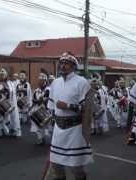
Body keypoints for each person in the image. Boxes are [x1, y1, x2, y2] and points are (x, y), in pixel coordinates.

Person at [49, 52, 94, 180]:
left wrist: (68, 106)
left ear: (74, 66)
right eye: (61, 63)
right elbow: (52, 107)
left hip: (75, 129)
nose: (63, 66)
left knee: (75, 167)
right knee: (56, 165)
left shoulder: (82, 83)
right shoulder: (55, 83)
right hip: (58, 129)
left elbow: (88, 110)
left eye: (66, 63)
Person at [0, 68, 20, 138]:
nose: (2, 75)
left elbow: (12, 93)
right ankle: (1, 131)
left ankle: (13, 130)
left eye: (3, 74)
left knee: (10, 119)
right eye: (1, 74)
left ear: (6, 75)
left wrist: (6, 92)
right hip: (0, 103)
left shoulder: (10, 83)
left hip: (8, 104)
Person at [30, 72, 51, 145]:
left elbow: (47, 99)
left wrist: (42, 100)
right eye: (39, 80)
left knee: (48, 127)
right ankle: (41, 139)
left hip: (46, 110)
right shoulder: (36, 90)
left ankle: (51, 140)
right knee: (38, 125)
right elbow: (33, 99)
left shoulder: (48, 89)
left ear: (45, 81)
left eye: (42, 80)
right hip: (38, 109)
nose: (40, 82)